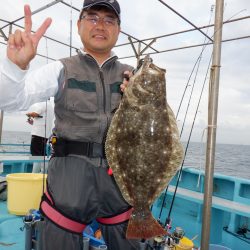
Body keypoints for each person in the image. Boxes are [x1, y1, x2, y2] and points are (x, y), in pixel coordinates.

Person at [0, 0, 140, 249]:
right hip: (68, 180)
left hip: (121, 182)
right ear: (79, 24)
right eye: (93, 17)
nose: (100, 25)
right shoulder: (60, 69)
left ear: (119, 29)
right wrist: (16, 67)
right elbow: (11, 101)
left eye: (109, 20)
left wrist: (141, 100)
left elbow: (153, 128)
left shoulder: (135, 75)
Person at [26, 101, 54, 173]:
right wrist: (32, 122)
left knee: (36, 156)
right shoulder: (50, 106)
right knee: (42, 155)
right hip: (45, 135)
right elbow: (41, 120)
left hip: (38, 134)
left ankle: (34, 175)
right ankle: (43, 174)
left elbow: (35, 114)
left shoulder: (43, 104)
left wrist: (28, 114)